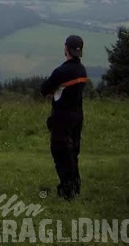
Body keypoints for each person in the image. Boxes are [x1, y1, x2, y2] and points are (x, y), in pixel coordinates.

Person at [40, 35, 88, 200]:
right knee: (73, 151)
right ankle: (75, 186)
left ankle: (67, 191)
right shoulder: (81, 70)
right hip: (77, 115)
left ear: (66, 48)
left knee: (61, 152)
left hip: (62, 118)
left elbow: (44, 89)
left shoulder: (62, 71)